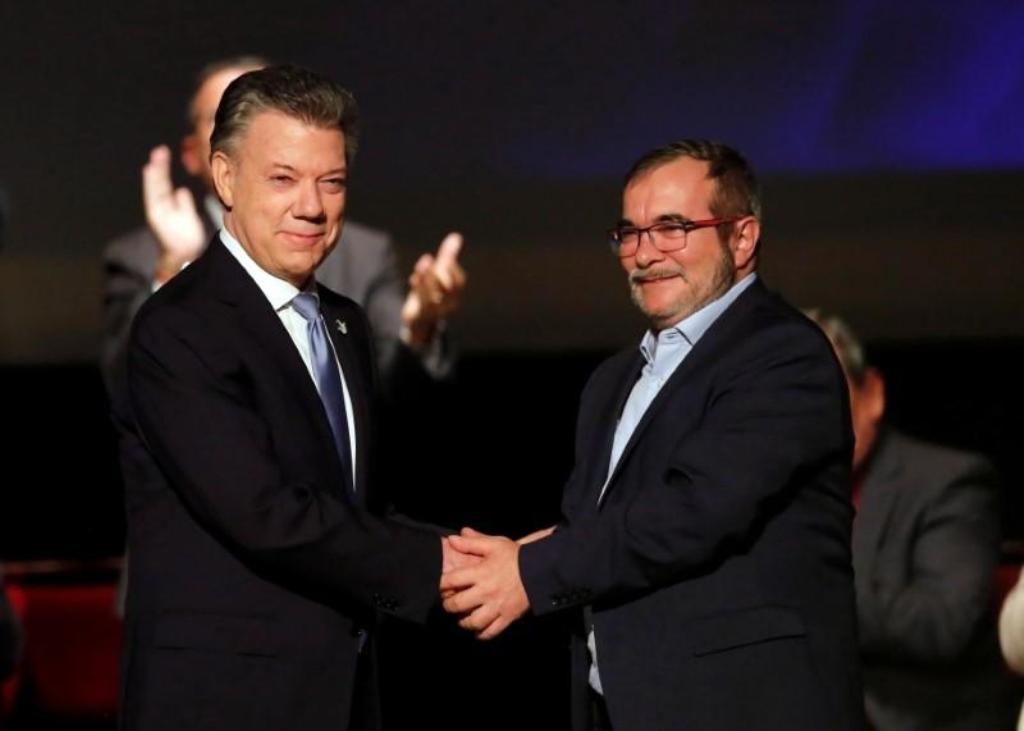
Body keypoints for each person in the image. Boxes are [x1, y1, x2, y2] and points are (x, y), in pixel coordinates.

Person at [441, 140, 864, 730]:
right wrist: (514, 557)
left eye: (672, 228)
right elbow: (600, 528)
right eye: (629, 234)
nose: (645, 254)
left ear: (742, 237)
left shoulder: (782, 355)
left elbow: (692, 512)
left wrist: (530, 571)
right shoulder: (613, 379)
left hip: (744, 709)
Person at [117, 65, 466, 731]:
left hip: (341, 689)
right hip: (222, 700)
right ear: (224, 177)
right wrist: (441, 563)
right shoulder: (179, 326)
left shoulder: (344, 321)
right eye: (283, 178)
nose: (312, 205)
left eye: (330, 181)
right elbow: (267, 513)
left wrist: (482, 552)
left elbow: (354, 508)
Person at [101, 56, 464, 400]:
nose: (309, 207)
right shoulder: (138, 258)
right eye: (223, 118)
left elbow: (386, 399)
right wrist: (174, 266)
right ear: (199, 155)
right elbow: (127, 396)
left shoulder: (362, 254)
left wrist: (420, 328)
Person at [808, 309, 1018, 731]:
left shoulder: (948, 482)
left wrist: (804, 589)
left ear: (872, 395)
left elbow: (944, 624)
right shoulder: (754, 496)